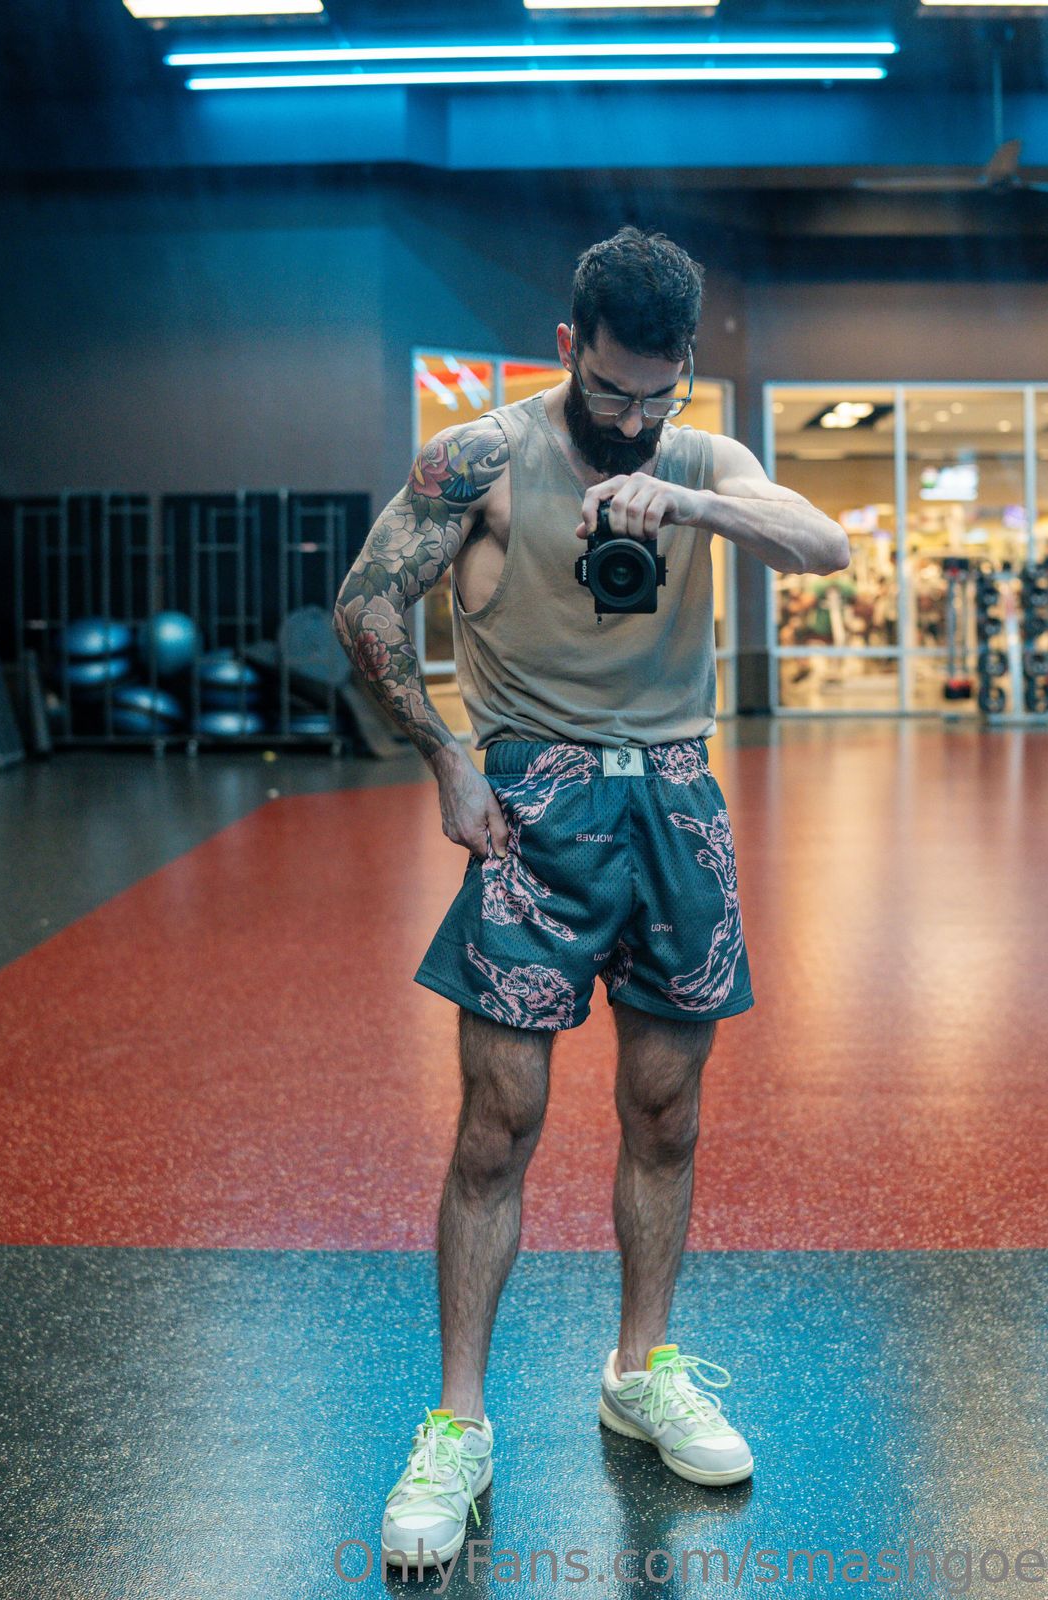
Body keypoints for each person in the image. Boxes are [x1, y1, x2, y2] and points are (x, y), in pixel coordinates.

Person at [333, 226, 850, 1570]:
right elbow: (365, 605)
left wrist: (692, 503)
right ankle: (458, 1424)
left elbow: (827, 545)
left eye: (658, 395)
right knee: (497, 1125)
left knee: (667, 1110)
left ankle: (639, 1371)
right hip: (533, 802)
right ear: (569, 347)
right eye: (612, 389)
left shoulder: (703, 457)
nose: (632, 418)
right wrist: (446, 757)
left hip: (675, 800)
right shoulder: (483, 457)